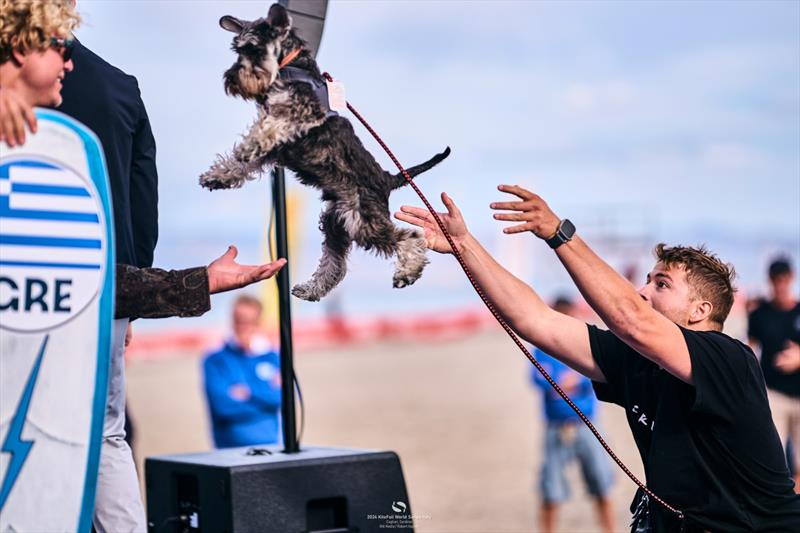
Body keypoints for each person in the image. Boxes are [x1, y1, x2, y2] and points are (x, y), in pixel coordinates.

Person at [0, 4, 285, 531]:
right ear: (25, 46)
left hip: (83, 299)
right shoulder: (116, 89)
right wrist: (133, 302)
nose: (68, 63)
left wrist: (180, 286)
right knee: (103, 435)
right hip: (92, 309)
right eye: (58, 46)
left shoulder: (66, 119)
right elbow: (140, 206)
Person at [395, 186, 800, 531]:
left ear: (700, 311)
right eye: (645, 280)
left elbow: (631, 319)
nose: (642, 291)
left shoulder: (729, 360)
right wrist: (465, 246)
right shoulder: (636, 360)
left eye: (661, 284)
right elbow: (534, 319)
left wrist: (559, 233)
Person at [531, 297, 614, 533]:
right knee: (551, 488)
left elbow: (600, 376)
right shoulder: (543, 349)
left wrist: (570, 381)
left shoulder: (586, 345)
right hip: (556, 427)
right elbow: (538, 379)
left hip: (587, 424)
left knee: (601, 484)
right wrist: (566, 381)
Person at [203, 295, 282, 448]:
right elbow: (222, 407)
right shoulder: (215, 361)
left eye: (249, 322)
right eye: (239, 321)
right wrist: (264, 401)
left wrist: (248, 393)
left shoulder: (272, 357)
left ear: (258, 322)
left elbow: (279, 399)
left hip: (270, 446)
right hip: (230, 449)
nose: (243, 327)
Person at [748, 257, 800, 490]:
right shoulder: (759, 314)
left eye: (784, 279)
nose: (780, 285)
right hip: (773, 394)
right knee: (773, 459)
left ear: (791, 278)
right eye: (775, 280)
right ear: (770, 280)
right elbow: (749, 351)